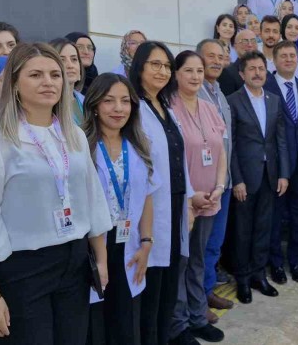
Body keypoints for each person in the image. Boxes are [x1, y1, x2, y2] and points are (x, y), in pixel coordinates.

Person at [0, 43, 112, 344]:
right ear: (14, 84)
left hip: (74, 263)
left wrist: (101, 261)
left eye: (55, 74)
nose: (48, 82)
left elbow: (93, 200)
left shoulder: (74, 135)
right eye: (36, 75)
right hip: (24, 269)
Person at [129, 41, 197, 345]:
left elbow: (179, 158)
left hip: (175, 205)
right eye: (155, 64)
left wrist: (189, 201)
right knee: (152, 287)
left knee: (169, 281)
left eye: (167, 66)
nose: (162, 71)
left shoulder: (166, 107)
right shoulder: (134, 108)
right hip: (151, 209)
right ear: (140, 67)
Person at [83, 74, 157, 345]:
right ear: (94, 105)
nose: (118, 108)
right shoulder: (82, 146)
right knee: (96, 322)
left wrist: (146, 242)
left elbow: (147, 196)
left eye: (125, 101)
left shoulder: (139, 145)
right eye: (109, 101)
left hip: (129, 243)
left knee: (126, 322)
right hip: (92, 246)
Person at [170, 50, 227, 343]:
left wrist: (219, 187)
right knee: (179, 263)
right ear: (176, 74)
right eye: (188, 71)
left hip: (211, 200)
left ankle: (197, 317)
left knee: (198, 261)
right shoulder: (169, 107)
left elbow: (221, 151)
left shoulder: (209, 107)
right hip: (184, 202)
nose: (195, 76)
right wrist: (191, 196)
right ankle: (178, 326)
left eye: (199, 71)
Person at [227, 50, 290, 304]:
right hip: (245, 178)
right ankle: (242, 279)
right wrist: (237, 179)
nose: (257, 73)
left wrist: (284, 173)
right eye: (251, 69)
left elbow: (280, 140)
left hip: (270, 175)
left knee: (264, 227)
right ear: (242, 74)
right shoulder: (233, 101)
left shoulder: (274, 100)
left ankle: (258, 275)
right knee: (242, 230)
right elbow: (230, 145)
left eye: (261, 69)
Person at [263, 41, 298, 285]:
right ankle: (276, 264)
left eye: (293, 55)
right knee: (275, 217)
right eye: (284, 56)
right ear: (274, 59)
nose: (289, 59)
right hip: (276, 165)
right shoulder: (266, 87)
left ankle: (296, 262)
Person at [195, 40, 236, 315]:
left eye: (221, 57)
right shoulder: (193, 93)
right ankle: (197, 300)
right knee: (199, 247)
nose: (217, 61)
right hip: (205, 184)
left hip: (224, 181)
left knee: (214, 243)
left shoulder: (219, 93)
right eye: (211, 56)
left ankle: (208, 291)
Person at [50, 38, 86, 125]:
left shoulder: (86, 101)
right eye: (62, 60)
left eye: (74, 59)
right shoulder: (46, 105)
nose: (70, 65)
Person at [218, 29, 258, 96]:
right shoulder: (227, 73)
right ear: (235, 46)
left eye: (253, 41)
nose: (250, 45)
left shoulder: (265, 72)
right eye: (245, 41)